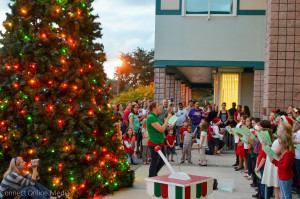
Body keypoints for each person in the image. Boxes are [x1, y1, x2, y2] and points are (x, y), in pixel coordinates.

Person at [147, 102, 172, 177]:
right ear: (154, 108)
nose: (160, 107)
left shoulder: (156, 117)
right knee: (154, 162)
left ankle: (154, 173)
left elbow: (165, 126)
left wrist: (170, 121)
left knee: (162, 161)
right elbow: (161, 129)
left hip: (160, 142)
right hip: (154, 143)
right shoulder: (151, 117)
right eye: (158, 106)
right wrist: (167, 119)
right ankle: (151, 176)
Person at [270, 133, 295, 199]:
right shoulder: (285, 152)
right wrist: (273, 161)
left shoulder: (288, 153)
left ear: (285, 143)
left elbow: (284, 167)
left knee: (286, 195)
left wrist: (275, 162)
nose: (279, 145)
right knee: (283, 195)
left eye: (280, 143)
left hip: (285, 176)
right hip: (282, 176)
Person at [292, 116, 300, 195]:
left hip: (298, 155)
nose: (295, 125)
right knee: (296, 171)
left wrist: (293, 141)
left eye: (297, 124)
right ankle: (296, 186)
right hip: (296, 154)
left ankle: (297, 187)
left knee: (298, 172)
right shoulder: (297, 131)